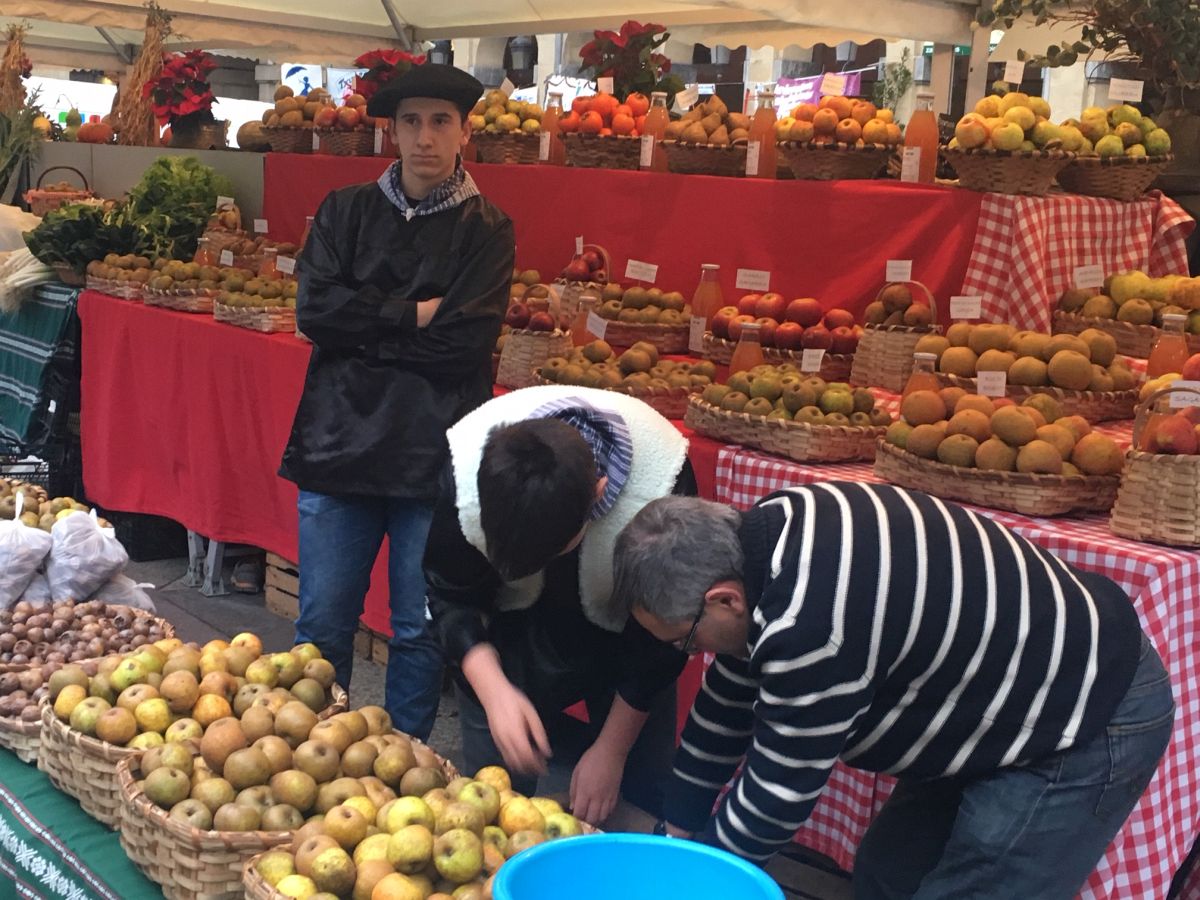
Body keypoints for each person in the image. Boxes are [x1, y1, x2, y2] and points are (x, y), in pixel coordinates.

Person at [613, 483, 1173, 899]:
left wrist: (697, 881)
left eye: (687, 640)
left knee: (977, 885)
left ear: (725, 600)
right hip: (990, 691)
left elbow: (775, 794)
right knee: (888, 871)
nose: (694, 654)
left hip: (1084, 709)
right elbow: (726, 701)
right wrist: (676, 830)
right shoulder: (758, 541)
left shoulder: (809, 628)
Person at [279, 64, 515, 740]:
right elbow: (314, 312)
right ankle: (305, 752)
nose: (425, 137)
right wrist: (413, 314)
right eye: (411, 121)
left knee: (418, 629)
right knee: (321, 623)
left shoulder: (488, 229)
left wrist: (360, 333)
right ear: (392, 131)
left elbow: (463, 346)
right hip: (337, 448)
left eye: (441, 121)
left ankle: (407, 763)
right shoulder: (344, 209)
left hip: (432, 459)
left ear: (465, 131)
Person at [425, 385, 694, 825]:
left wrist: (612, 749)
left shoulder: (663, 484)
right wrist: (494, 692)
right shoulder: (467, 465)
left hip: (626, 641)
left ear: (598, 495)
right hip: (507, 633)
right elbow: (450, 591)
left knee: (639, 794)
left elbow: (665, 636)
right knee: (490, 808)